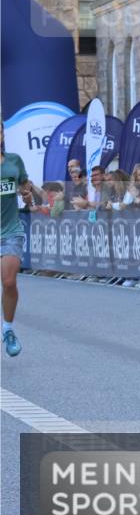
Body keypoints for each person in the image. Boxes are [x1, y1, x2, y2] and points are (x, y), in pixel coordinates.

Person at [1, 132, 31, 356]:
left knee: (9, 282)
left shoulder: (14, 160)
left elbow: (24, 184)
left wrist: (27, 193)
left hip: (11, 230)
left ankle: (8, 329)